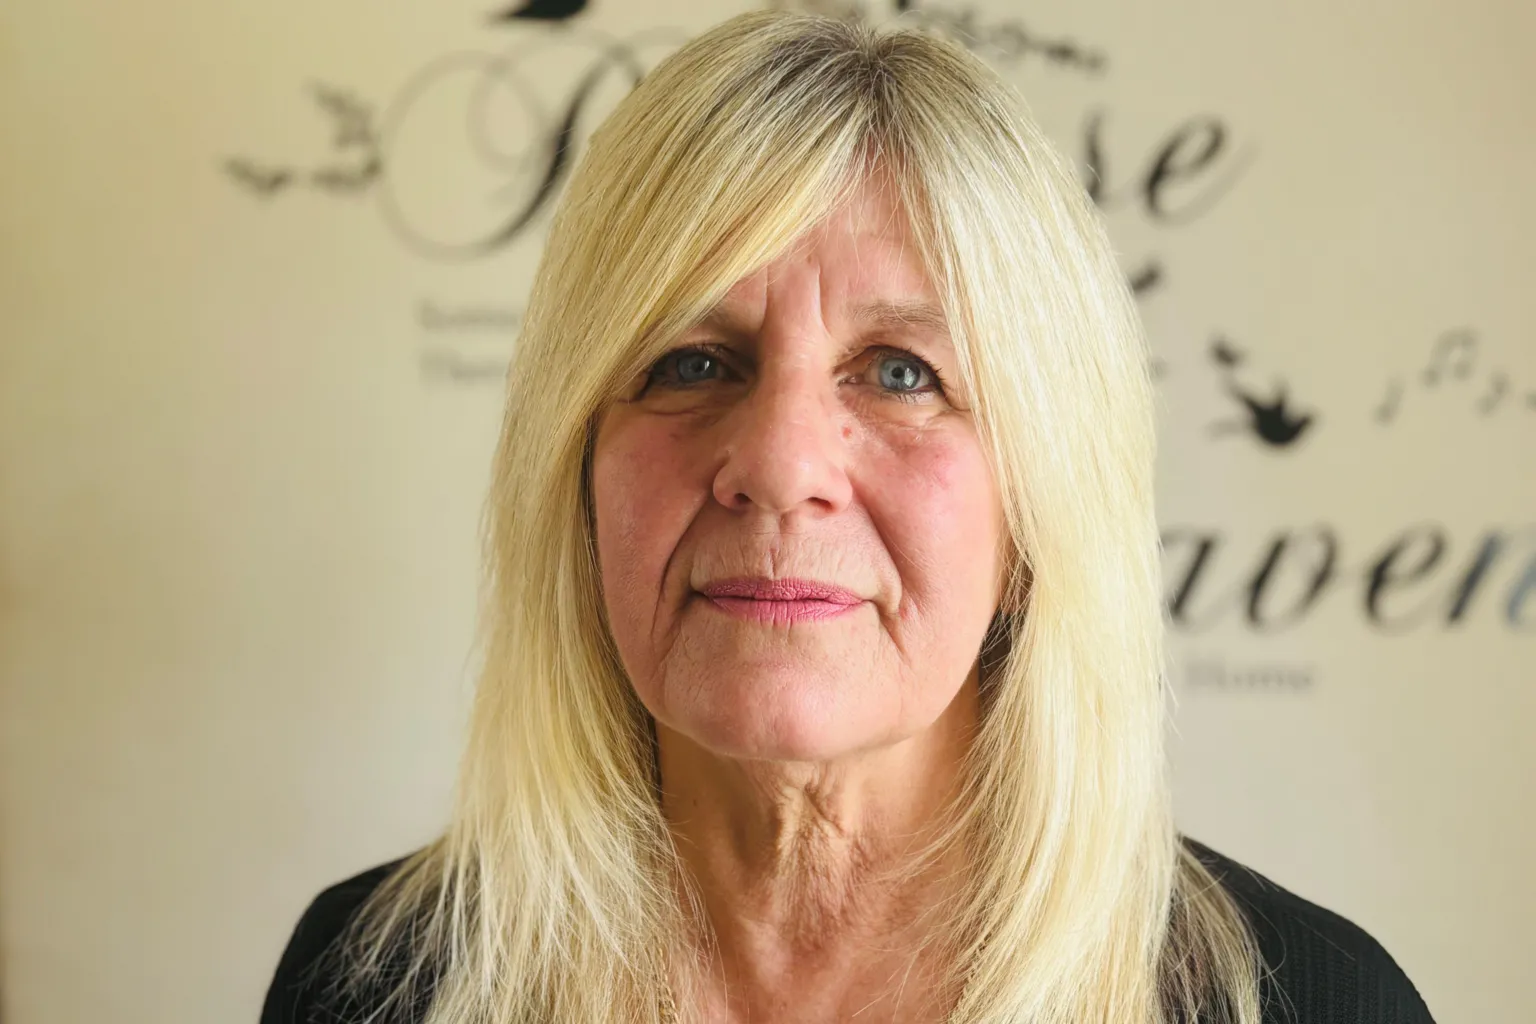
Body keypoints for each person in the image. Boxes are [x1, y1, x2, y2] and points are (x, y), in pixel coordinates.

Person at [261, 10, 1435, 1023]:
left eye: (901, 373)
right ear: (577, 476)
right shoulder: (378, 979)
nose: (779, 465)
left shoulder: (1310, 1002)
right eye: (691, 362)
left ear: (1039, 504)